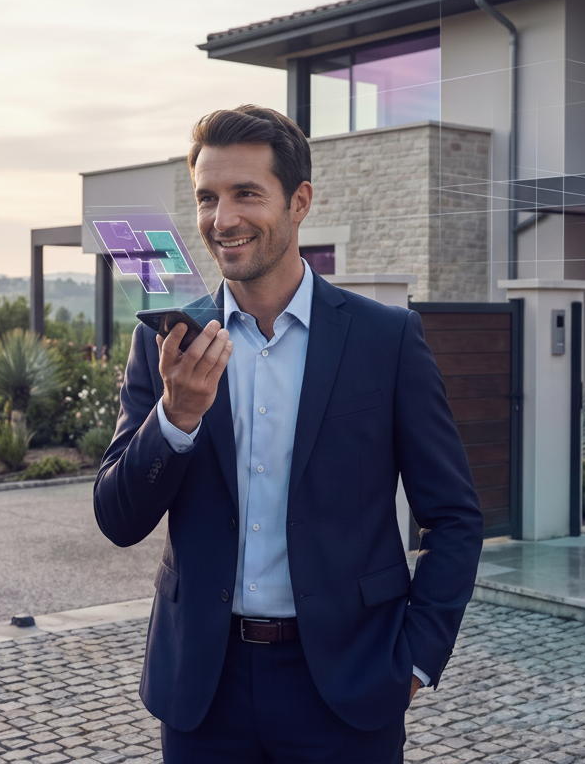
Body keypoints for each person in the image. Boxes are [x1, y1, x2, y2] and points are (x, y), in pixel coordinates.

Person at [93, 104, 483, 763]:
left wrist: (415, 661)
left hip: (346, 686)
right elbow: (118, 518)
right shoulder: (165, 340)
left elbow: (454, 518)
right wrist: (177, 418)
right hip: (202, 691)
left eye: (247, 193)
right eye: (208, 197)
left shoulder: (385, 340)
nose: (224, 220)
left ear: (299, 201)